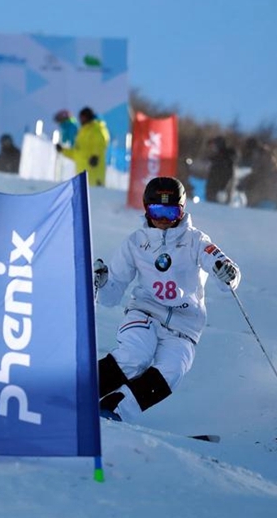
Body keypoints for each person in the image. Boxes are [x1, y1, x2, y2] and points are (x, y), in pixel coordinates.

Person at [92, 176, 241, 422]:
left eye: (170, 212)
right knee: (135, 355)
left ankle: (112, 411)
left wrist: (228, 274)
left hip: (184, 327)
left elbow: (222, 268)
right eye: (156, 211)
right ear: (146, 209)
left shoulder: (196, 240)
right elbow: (110, 296)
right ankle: (79, 392)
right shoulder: (135, 243)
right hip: (145, 313)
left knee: (173, 370)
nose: (162, 219)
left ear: (181, 211)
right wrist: (102, 282)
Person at [60, 106, 109, 187]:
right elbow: (76, 153)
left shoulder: (96, 128)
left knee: (95, 194)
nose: (81, 120)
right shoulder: (82, 131)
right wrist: (62, 150)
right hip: (82, 174)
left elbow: (101, 143)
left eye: (82, 118)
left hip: (94, 173)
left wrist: (95, 156)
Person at [238, 137, 277, 209]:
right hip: (271, 198)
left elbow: (260, 175)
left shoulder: (262, 155)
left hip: (263, 198)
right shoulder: (270, 155)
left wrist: (244, 182)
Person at [205, 136, 236, 204]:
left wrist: (223, 185)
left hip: (220, 186)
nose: (213, 147)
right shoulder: (218, 157)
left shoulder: (225, 156)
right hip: (216, 185)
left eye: (215, 145)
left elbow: (228, 173)